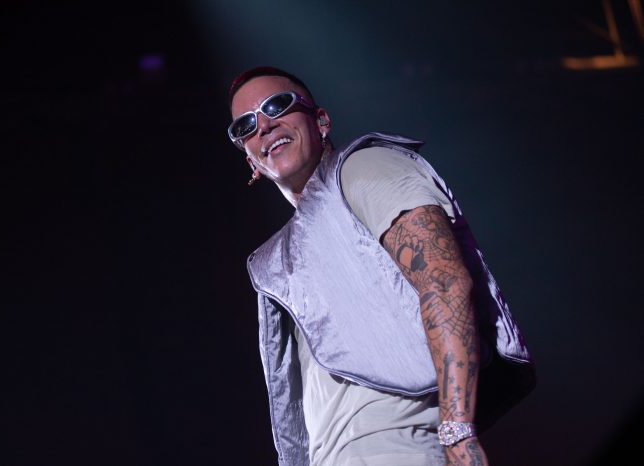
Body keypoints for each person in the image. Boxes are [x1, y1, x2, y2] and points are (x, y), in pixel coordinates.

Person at [227, 66, 535, 466]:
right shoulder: (281, 255)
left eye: (276, 105)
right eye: (246, 125)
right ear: (250, 159)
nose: (264, 126)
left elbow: (443, 282)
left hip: (396, 449)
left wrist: (458, 429)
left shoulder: (364, 168)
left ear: (321, 121)